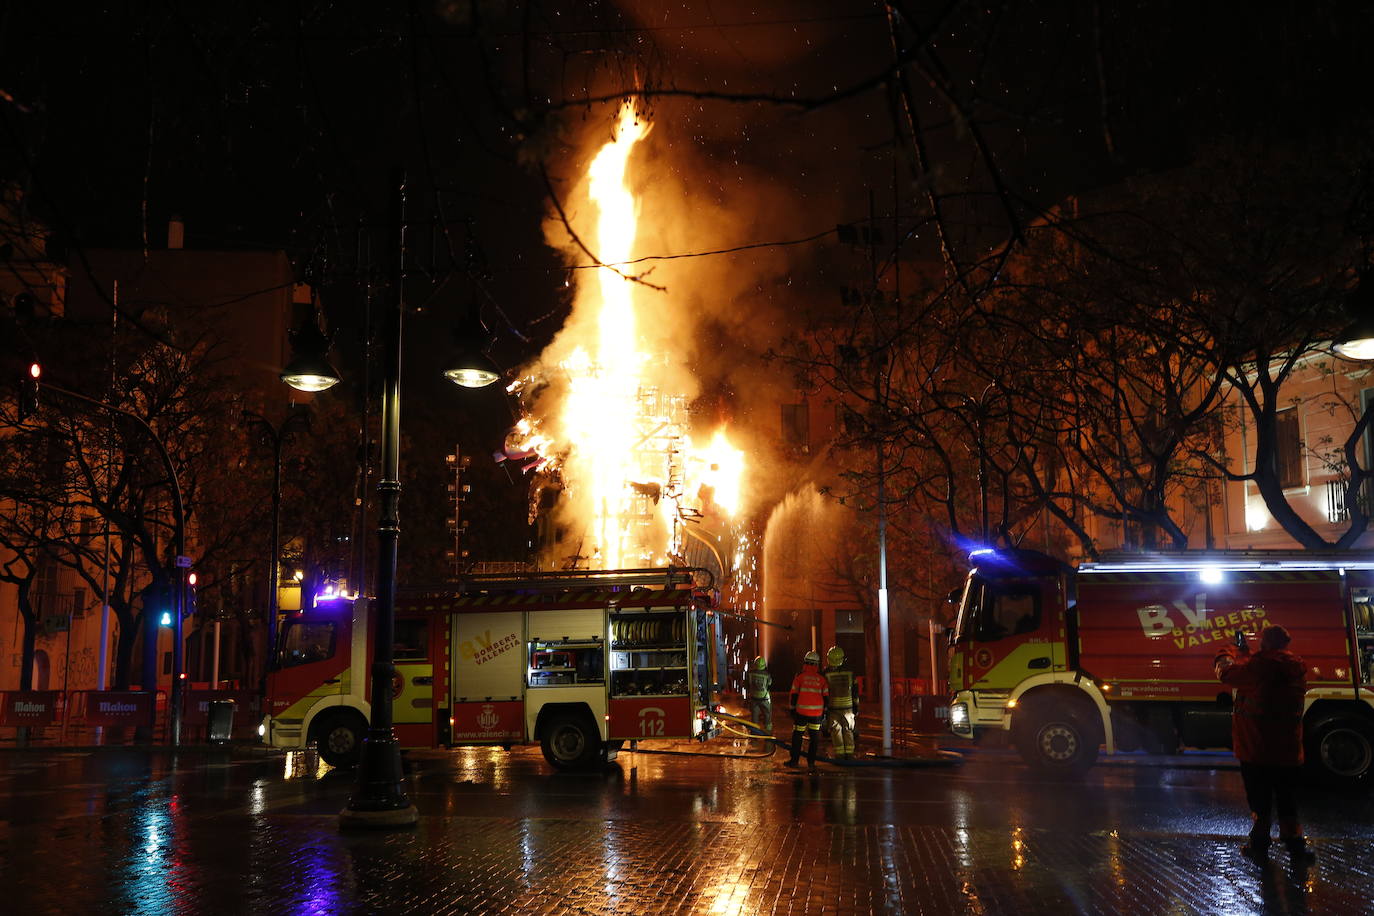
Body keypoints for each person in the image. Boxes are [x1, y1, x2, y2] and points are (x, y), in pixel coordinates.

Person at [1214, 624, 1315, 865]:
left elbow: (1228, 674)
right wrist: (1248, 656)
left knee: (1260, 801)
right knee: (1287, 802)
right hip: (1288, 751)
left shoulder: (1258, 667)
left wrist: (1226, 652)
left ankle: (1259, 845)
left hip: (1256, 750)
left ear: (1266, 643)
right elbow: (1259, 672)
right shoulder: (1295, 667)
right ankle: (1296, 848)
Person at [785, 649, 828, 769]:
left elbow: (794, 694)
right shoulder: (821, 678)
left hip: (801, 712)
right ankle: (811, 763)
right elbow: (826, 696)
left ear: (805, 662)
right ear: (817, 664)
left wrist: (792, 709)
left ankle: (794, 761)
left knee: (797, 736)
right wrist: (824, 712)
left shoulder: (799, 676)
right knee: (814, 739)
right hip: (816, 714)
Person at [823, 646, 859, 759]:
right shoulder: (850, 672)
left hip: (832, 708)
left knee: (836, 731)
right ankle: (849, 754)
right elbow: (855, 692)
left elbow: (823, 692)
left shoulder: (825, 673)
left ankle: (839, 755)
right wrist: (856, 708)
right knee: (848, 730)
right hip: (848, 708)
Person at [745, 656, 773, 739]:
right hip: (765, 699)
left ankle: (754, 735)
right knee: (767, 716)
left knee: (754, 718)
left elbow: (747, 684)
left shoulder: (750, 673)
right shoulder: (767, 675)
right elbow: (769, 684)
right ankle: (768, 734)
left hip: (754, 699)